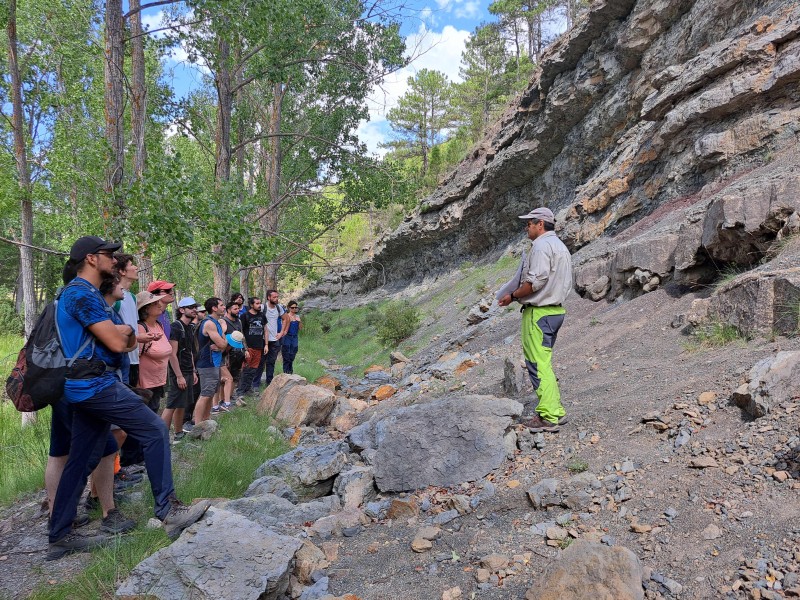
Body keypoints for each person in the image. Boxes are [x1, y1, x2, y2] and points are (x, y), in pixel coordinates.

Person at [47, 236, 209, 561]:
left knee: (81, 458)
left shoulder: (88, 294)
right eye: (109, 254)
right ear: (92, 259)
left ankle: (60, 532)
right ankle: (168, 509)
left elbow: (127, 338)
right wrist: (121, 334)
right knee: (154, 429)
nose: (115, 258)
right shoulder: (81, 293)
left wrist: (123, 334)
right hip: (94, 384)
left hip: (87, 384)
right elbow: (120, 342)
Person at [498, 207, 573, 433]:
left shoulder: (541, 246)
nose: (526, 227)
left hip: (539, 313)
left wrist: (511, 296)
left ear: (540, 224)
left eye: (529, 223)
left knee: (538, 365)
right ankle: (555, 411)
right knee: (544, 363)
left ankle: (549, 417)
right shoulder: (561, 246)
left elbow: (535, 282)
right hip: (555, 311)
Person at [165, 297, 198, 441]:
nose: (194, 309)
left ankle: (178, 433)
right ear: (181, 310)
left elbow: (189, 351)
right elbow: (172, 353)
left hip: (188, 371)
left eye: (195, 307)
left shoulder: (190, 327)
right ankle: (162, 438)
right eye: (190, 307)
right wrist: (179, 376)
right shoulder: (176, 327)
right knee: (171, 404)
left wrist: (193, 371)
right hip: (178, 372)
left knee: (182, 403)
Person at [193, 297, 228, 424]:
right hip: (207, 364)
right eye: (222, 305)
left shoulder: (217, 322)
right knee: (205, 394)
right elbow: (223, 344)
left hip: (215, 363)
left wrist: (221, 344)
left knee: (211, 394)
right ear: (214, 308)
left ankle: (206, 421)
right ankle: (197, 425)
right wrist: (221, 344)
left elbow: (224, 343)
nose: (224, 307)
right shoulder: (209, 323)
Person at [136, 291, 172, 414]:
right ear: (145, 309)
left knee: (154, 410)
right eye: (154, 303)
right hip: (145, 385)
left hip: (158, 382)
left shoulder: (159, 325)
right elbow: (136, 358)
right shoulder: (140, 328)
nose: (159, 305)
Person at [236, 297, 266, 398]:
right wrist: (244, 348)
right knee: (246, 369)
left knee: (254, 369)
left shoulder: (262, 315)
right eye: (257, 303)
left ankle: (248, 389)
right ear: (251, 305)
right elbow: (241, 332)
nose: (259, 305)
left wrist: (266, 344)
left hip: (259, 347)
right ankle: (240, 391)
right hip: (249, 347)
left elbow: (266, 330)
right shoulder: (245, 316)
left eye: (260, 303)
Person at [221, 299, 244, 406]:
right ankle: (223, 400)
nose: (237, 310)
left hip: (238, 352)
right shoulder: (223, 322)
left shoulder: (238, 321)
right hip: (226, 353)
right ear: (228, 310)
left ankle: (230, 396)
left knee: (235, 376)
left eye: (238, 308)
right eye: (235, 309)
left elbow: (242, 336)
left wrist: (246, 349)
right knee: (225, 378)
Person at [263, 290, 288, 388]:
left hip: (274, 339)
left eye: (277, 297)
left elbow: (285, 318)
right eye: (274, 297)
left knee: (271, 362)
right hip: (262, 339)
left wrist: (281, 332)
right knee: (261, 362)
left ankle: (269, 383)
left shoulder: (279, 307)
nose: (276, 299)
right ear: (268, 297)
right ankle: (255, 384)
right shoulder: (262, 307)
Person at [281, 301, 302, 374]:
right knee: (286, 354)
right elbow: (283, 328)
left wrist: (299, 322)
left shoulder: (297, 317)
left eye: (296, 307)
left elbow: (300, 328)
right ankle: (286, 372)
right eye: (292, 307)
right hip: (287, 337)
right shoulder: (286, 316)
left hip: (294, 337)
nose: (294, 309)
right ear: (289, 308)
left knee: (293, 353)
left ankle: (290, 370)